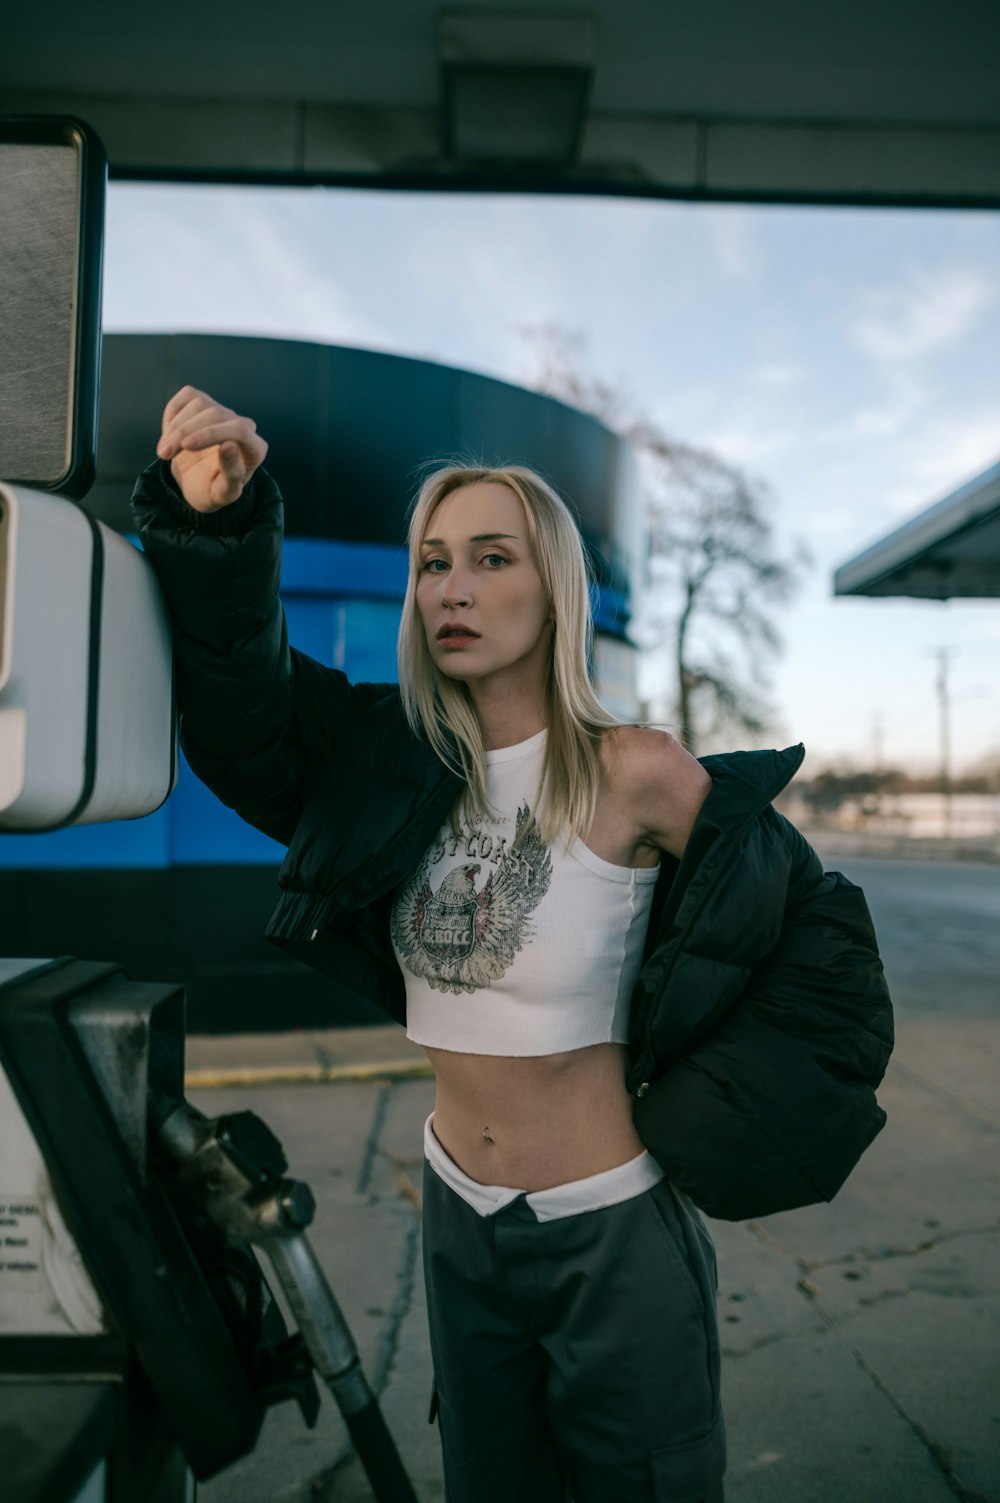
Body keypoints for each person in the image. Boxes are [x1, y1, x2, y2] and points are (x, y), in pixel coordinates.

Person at [132, 386, 892, 1503]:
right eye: (434, 562)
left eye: (492, 559)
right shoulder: (390, 762)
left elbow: (823, 942)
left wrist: (713, 1116)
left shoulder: (634, 770)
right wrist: (213, 526)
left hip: (611, 1229)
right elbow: (244, 717)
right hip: (457, 1219)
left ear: (554, 589)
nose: (453, 587)